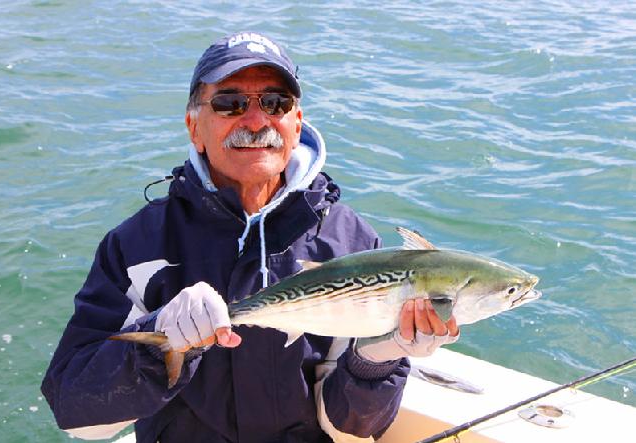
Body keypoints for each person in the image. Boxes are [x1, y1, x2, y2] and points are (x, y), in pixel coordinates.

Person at [41, 31, 459, 443]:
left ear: (296, 124)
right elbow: (74, 413)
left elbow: (352, 426)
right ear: (194, 127)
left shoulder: (350, 242)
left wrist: (376, 359)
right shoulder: (137, 246)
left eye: (276, 103)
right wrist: (155, 343)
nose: (257, 121)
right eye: (230, 103)